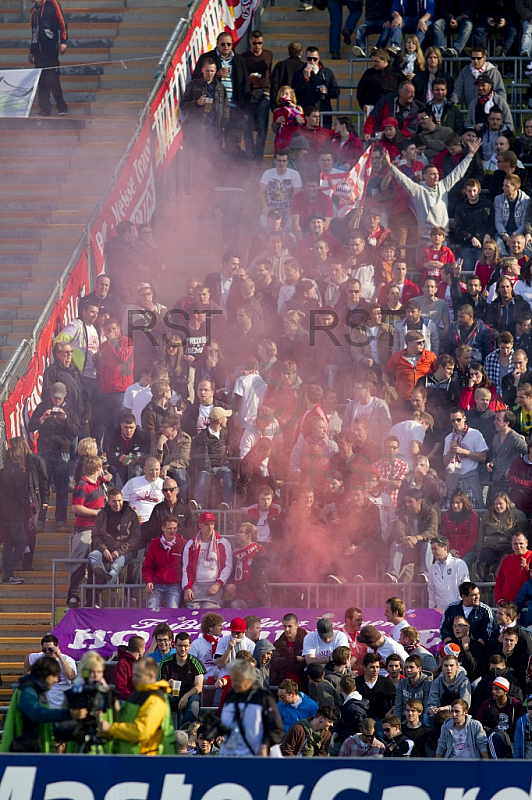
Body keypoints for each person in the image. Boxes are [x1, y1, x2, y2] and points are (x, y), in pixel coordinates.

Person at [381, 138, 482, 241]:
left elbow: (458, 172)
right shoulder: (417, 190)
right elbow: (402, 179)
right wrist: (390, 165)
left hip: (443, 236)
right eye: (432, 174)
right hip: (426, 237)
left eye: (437, 174)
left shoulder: (443, 185)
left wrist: (470, 155)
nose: (436, 176)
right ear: (424, 176)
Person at [0, 656, 86, 753]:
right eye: (54, 676)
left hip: (33, 750)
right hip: (23, 754)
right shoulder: (27, 691)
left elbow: (50, 728)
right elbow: (36, 714)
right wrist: (69, 714)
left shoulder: (39, 692)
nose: (56, 680)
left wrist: (74, 734)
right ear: (45, 674)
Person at [28, 381, 80, 534]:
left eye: (59, 398)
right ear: (51, 395)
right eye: (54, 397)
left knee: (62, 490)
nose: (56, 400)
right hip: (44, 452)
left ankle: (61, 521)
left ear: (65, 395)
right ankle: (40, 521)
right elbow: (31, 426)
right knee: (42, 489)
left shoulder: (70, 410)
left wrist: (65, 419)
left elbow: (76, 431)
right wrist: (42, 418)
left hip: (62, 453)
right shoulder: (43, 406)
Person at [99, 656, 175, 755]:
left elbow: (142, 731)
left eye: (138, 676)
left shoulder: (154, 700)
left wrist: (110, 728)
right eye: (134, 675)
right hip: (129, 758)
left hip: (143, 760)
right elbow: (124, 722)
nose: (134, 679)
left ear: (151, 676)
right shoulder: (138, 695)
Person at [219, 659, 284, 756]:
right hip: (230, 756)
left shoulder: (263, 697)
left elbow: (276, 729)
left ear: (249, 679)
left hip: (255, 756)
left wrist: (265, 745)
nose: (234, 684)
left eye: (238, 680)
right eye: (233, 680)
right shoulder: (231, 695)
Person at [192, 33, 250, 130]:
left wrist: (245, 109)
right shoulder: (207, 58)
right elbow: (195, 78)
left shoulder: (239, 60)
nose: (226, 47)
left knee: (232, 140)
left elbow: (245, 84)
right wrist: (216, 75)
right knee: (213, 139)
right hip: (213, 106)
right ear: (217, 44)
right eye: (223, 44)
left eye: (229, 44)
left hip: (234, 106)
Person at [88, 487, 141, 587]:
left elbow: (135, 537)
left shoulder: (131, 514)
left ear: (123, 499)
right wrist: (103, 549)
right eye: (114, 501)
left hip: (125, 551)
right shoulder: (102, 514)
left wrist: (119, 552)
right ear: (108, 502)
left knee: (115, 566)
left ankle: (103, 584)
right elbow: (96, 535)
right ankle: (104, 577)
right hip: (105, 549)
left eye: (119, 501)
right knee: (92, 555)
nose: (117, 504)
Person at [182, 511, 233, 610]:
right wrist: (187, 588)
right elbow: (186, 568)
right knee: (192, 613)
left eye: (212, 524)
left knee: (209, 612)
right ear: (200, 525)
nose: (210, 527)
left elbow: (228, 566)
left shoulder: (223, 543)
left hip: (213, 585)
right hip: (195, 585)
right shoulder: (191, 544)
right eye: (206, 524)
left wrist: (218, 584)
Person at [28, 0, 68, 117]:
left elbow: (62, 23)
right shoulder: (34, 10)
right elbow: (34, 32)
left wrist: (63, 41)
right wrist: (32, 50)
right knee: (41, 81)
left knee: (53, 79)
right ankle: (45, 109)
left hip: (50, 49)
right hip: (38, 51)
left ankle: (62, 108)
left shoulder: (52, 3)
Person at [159, 632, 205, 726]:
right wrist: (167, 684)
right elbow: (160, 685)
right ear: (174, 645)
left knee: (195, 700)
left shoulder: (195, 662)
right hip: (171, 695)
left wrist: (186, 696)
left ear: (190, 646)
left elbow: (199, 687)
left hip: (188, 696)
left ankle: (186, 729)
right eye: (180, 646)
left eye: (185, 646)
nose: (183, 649)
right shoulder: (165, 662)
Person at [142, 515, 186, 610]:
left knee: (173, 609)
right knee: (151, 609)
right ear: (163, 528)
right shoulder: (155, 544)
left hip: (174, 585)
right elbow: (148, 566)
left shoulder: (182, 544)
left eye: (174, 528)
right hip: (157, 584)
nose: (172, 531)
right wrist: (148, 581)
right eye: (169, 528)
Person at [291, 47, 340, 128]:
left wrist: (327, 92)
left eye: (315, 58)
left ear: (319, 58)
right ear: (305, 59)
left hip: (323, 113)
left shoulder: (327, 72)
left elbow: (336, 92)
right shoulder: (299, 73)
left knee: (324, 139)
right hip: (306, 113)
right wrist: (305, 78)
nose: (312, 61)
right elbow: (295, 93)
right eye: (309, 58)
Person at [224, 522, 270, 608]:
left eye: (240, 532)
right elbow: (232, 574)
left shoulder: (259, 554)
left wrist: (236, 587)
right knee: (233, 607)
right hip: (239, 598)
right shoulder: (236, 555)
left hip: (258, 600)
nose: (237, 534)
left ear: (248, 536)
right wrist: (229, 586)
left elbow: (258, 580)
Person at [427, 536, 470, 610]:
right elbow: (432, 592)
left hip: (458, 611)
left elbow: (465, 588)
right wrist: (431, 610)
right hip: (440, 612)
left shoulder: (459, 564)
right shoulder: (432, 568)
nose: (432, 552)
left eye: (435, 549)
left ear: (445, 548)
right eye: (432, 549)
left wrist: (461, 609)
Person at [121, 457, 164, 525]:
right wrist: (128, 507)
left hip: (154, 522)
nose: (154, 473)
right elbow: (121, 500)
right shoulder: (133, 482)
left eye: (157, 470)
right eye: (151, 470)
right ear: (144, 469)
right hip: (133, 521)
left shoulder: (163, 484)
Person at [115, 635, 147, 701]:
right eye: (144, 648)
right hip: (127, 700)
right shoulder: (122, 664)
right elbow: (121, 687)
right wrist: (132, 699)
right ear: (139, 649)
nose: (144, 650)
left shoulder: (140, 662)